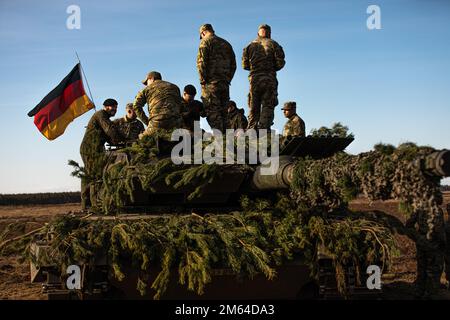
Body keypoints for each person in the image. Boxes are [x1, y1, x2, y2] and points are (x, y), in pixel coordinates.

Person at [79, 99, 123, 210]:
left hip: (95, 149)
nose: (115, 109)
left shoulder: (105, 118)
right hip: (90, 149)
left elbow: (109, 138)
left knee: (91, 175)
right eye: (113, 107)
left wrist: (118, 142)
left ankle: (89, 205)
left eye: (116, 107)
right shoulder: (101, 115)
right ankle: (94, 206)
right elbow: (110, 131)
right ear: (105, 107)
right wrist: (121, 140)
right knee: (94, 176)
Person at [242, 24, 285, 130]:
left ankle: (251, 129)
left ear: (258, 33)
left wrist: (255, 69)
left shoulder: (249, 46)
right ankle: (263, 130)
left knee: (253, 106)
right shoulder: (274, 44)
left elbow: (244, 65)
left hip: (254, 79)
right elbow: (280, 63)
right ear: (269, 33)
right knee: (267, 105)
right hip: (269, 79)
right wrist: (270, 69)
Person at [197, 23, 236, 132]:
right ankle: (228, 139)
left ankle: (220, 139)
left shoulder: (205, 42)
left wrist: (203, 80)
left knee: (212, 112)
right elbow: (233, 65)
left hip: (211, 83)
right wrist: (228, 79)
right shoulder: (226, 44)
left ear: (203, 32)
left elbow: (201, 63)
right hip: (224, 84)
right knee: (224, 113)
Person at [406, 208, 446, 298]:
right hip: (434, 247)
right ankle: (430, 294)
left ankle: (419, 291)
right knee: (434, 272)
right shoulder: (437, 210)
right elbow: (439, 231)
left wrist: (418, 238)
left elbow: (408, 225)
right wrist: (443, 244)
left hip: (422, 245)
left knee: (422, 269)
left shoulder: (418, 209)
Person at [133, 71, 183, 136]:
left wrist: (147, 122)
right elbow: (180, 105)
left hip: (156, 124)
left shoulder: (146, 89)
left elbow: (136, 106)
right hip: (175, 124)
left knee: (142, 138)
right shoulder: (175, 87)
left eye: (146, 82)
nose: (147, 84)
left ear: (152, 79)